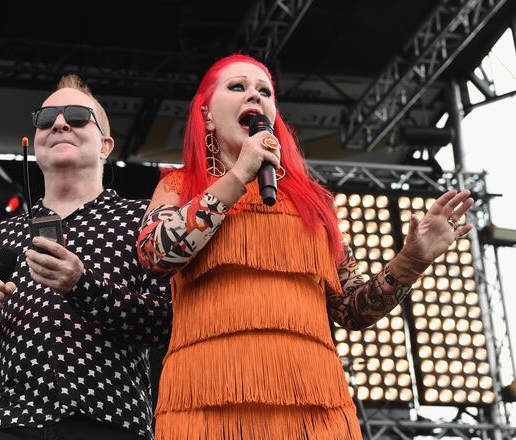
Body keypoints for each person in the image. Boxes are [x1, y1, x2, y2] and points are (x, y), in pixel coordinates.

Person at [136, 54, 474, 440]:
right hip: (209, 400)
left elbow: (351, 310)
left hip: (312, 403)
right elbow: (155, 254)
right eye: (237, 87)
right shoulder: (179, 185)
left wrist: (411, 261)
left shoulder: (314, 202)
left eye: (264, 92)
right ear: (207, 116)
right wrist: (240, 174)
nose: (255, 96)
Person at [0, 74, 171, 440]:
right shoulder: (3, 234)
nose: (59, 123)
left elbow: (163, 321)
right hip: (11, 422)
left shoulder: (141, 219)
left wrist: (81, 285)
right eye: (45, 118)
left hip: (106, 420)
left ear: (105, 146)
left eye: (77, 116)